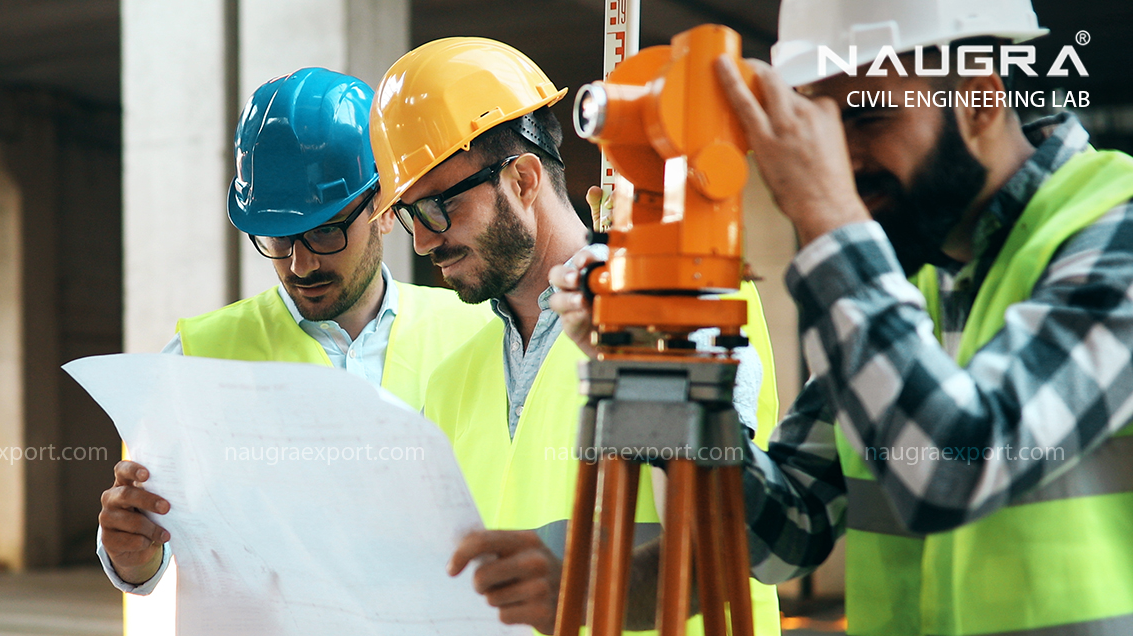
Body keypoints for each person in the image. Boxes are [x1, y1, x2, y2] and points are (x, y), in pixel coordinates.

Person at [550, 1, 1133, 634]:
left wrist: (829, 218)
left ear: (981, 100)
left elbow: (952, 465)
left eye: (866, 116)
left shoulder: (1113, 232)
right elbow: (784, 531)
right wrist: (656, 365)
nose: (840, 160)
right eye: (821, 125)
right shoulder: (906, 274)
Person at [368, 38, 784, 635]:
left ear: (523, 179)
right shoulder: (452, 379)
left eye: (436, 209)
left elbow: (720, 533)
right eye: (407, 216)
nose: (423, 242)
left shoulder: (684, 306)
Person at [96, 67, 493, 594]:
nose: (300, 264)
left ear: (384, 208)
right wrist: (130, 556)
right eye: (278, 238)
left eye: (325, 231)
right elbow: (150, 547)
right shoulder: (199, 357)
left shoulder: (479, 334)